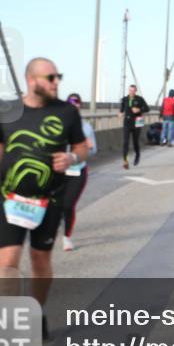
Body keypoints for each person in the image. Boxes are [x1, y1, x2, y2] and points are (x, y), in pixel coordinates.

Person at [0, 58, 88, 341]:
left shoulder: (67, 112)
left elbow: (81, 146)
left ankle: (37, 311)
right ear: (32, 80)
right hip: (11, 197)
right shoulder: (9, 110)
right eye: (50, 77)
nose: (56, 82)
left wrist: (72, 157)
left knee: (40, 261)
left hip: (48, 199)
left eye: (58, 77)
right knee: (7, 261)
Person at [61, 93, 97, 252]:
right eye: (71, 103)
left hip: (78, 171)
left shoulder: (86, 127)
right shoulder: (57, 125)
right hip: (59, 171)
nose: (74, 106)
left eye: (77, 103)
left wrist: (88, 148)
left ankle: (66, 237)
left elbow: (94, 151)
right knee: (56, 206)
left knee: (68, 205)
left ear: (79, 106)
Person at [118, 84, 149, 169]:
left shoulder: (140, 99)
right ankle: (125, 161)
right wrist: (120, 114)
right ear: (128, 90)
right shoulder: (124, 99)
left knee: (135, 141)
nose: (131, 92)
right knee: (125, 142)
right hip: (127, 121)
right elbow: (121, 110)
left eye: (133, 90)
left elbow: (147, 109)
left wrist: (139, 110)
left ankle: (137, 156)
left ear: (135, 91)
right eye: (130, 90)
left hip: (137, 121)